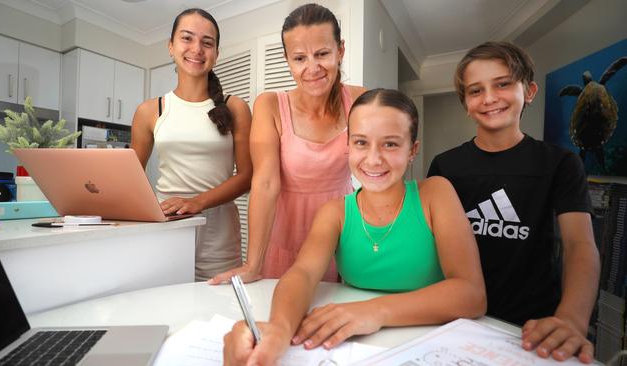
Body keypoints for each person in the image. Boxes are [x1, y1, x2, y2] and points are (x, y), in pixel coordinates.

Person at [223, 88, 487, 365]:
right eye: (361, 143)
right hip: (362, 350)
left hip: (435, 345)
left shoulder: (435, 193)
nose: (373, 159)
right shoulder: (335, 212)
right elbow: (302, 274)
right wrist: (279, 328)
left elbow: (471, 293)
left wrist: (376, 311)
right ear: (347, 145)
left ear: (413, 150)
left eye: (391, 144)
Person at [427, 41, 600, 363]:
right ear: (466, 103)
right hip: (456, 320)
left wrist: (572, 319)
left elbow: (580, 245)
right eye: (475, 90)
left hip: (531, 326)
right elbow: (430, 244)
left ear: (529, 90)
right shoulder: (444, 166)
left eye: (503, 84)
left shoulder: (560, 164)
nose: (490, 98)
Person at [210, 3, 366, 284]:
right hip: (284, 235)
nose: (312, 68)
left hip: (341, 237)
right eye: (299, 58)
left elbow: (377, 171)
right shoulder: (270, 105)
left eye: (322, 54)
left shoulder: (361, 101)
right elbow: (265, 183)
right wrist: (252, 264)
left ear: (340, 50)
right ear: (287, 60)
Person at [130, 8, 252, 281]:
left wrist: (197, 202)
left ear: (216, 53)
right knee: (165, 309)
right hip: (166, 228)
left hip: (219, 235)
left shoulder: (236, 107)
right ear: (171, 47)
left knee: (219, 312)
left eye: (207, 42)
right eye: (187, 38)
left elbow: (246, 177)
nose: (196, 49)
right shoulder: (151, 110)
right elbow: (130, 176)